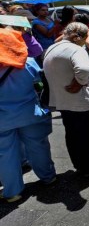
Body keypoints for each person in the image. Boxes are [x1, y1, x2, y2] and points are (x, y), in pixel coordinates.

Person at [43, 22, 89, 178]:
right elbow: (84, 69)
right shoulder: (75, 49)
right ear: (76, 37)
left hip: (63, 101)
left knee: (73, 135)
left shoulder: (53, 47)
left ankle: (80, 166)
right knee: (87, 137)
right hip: (80, 102)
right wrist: (79, 82)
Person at [0, 28, 56, 203]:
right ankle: (48, 177)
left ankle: (12, 191)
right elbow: (40, 85)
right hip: (30, 113)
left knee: (5, 154)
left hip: (2, 119)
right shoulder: (29, 63)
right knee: (38, 145)